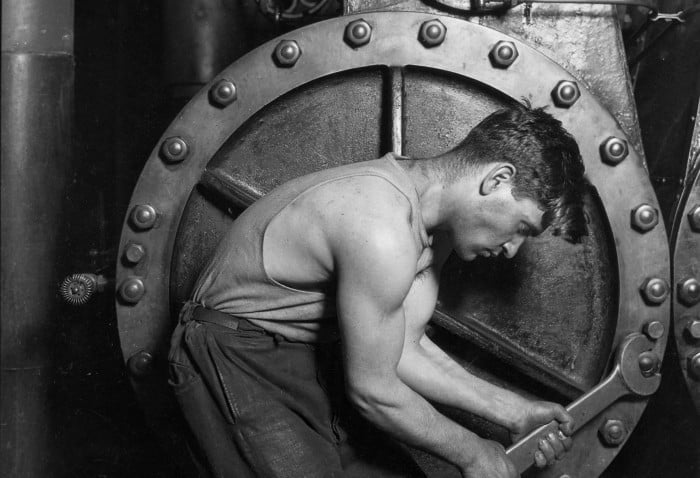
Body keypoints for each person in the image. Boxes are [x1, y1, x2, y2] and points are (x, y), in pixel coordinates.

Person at [168, 104, 588, 478]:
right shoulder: (381, 225)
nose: (512, 250)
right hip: (233, 353)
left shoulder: (428, 227)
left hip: (305, 358)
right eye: (521, 228)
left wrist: (514, 412)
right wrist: (475, 453)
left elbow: (403, 347)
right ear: (497, 178)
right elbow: (372, 389)